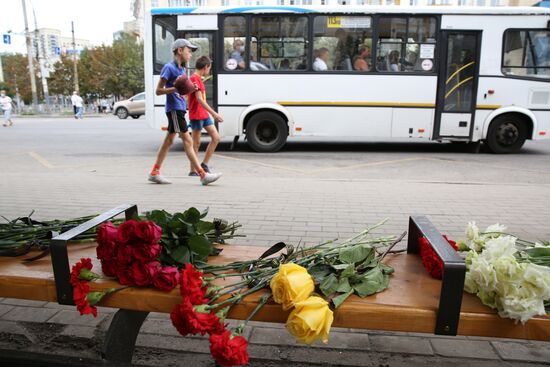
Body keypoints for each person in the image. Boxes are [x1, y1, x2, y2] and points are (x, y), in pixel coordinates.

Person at [148, 38, 221, 186]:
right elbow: (158, 91)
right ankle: (202, 174)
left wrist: (188, 90)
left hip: (180, 109)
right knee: (188, 141)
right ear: (180, 50)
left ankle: (155, 172)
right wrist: (176, 89)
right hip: (174, 109)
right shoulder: (169, 68)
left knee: (168, 141)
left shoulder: (182, 69)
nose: (191, 55)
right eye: (189, 51)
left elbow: (182, 91)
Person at [187, 55, 223, 176]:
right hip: (196, 115)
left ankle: (204, 164)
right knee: (196, 143)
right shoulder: (194, 78)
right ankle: (193, 170)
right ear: (205, 67)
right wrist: (214, 114)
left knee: (216, 137)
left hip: (203, 114)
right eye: (209, 68)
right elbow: (199, 99)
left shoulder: (198, 78)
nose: (209, 70)